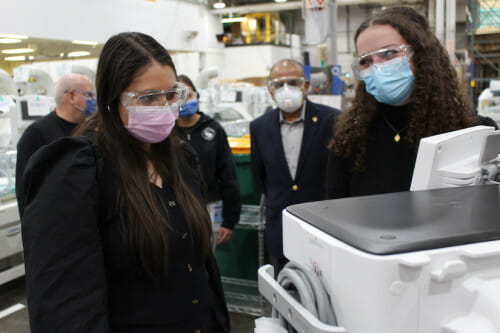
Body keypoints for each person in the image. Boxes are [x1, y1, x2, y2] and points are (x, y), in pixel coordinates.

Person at [19, 32, 229, 332]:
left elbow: (201, 269)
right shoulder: (78, 173)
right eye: (148, 98)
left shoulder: (180, 158)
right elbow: (65, 303)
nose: (164, 106)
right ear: (110, 99)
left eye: (171, 95)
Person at [326, 6, 499, 200]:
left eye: (389, 54)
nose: (377, 67)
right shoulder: (349, 140)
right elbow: (333, 213)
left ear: (421, 55)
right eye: (365, 61)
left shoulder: (474, 133)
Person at [250, 59, 341, 275]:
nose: (286, 90)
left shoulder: (331, 120)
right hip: (280, 228)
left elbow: (337, 175)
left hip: (322, 228)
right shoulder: (260, 127)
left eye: (293, 82)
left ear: (306, 86)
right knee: (286, 291)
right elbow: (260, 177)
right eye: (278, 85)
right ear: (271, 91)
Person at [15, 73, 96, 214]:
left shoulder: (90, 131)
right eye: (89, 95)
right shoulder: (37, 133)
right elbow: (24, 189)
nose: (93, 101)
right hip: (52, 219)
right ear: (71, 97)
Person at [175, 74, 241, 247]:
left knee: (206, 260)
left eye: (188, 95)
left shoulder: (213, 129)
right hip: (176, 207)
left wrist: (230, 220)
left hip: (210, 207)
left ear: (197, 95)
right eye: (178, 96)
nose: (185, 100)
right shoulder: (166, 132)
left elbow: (228, 175)